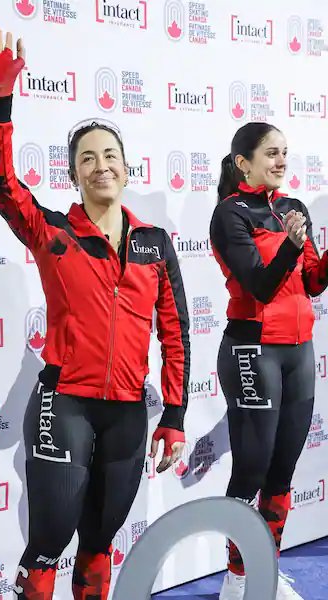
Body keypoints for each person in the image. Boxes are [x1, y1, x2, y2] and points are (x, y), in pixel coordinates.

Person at [0, 29, 190, 600]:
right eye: (87, 158)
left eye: (110, 156)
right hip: (63, 403)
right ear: (74, 175)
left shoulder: (155, 243)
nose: (101, 165)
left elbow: (176, 332)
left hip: (127, 415)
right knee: (49, 542)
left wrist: (174, 414)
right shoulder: (54, 232)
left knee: (98, 545)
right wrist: (0, 98)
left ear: (127, 169)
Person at [210, 122, 328, 600]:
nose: (281, 161)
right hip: (252, 348)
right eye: (271, 153)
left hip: (299, 351)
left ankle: (265, 571)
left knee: (282, 472)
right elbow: (259, 285)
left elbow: (313, 282)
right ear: (244, 163)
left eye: (284, 152)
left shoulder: (294, 208)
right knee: (252, 469)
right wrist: (293, 246)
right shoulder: (229, 213)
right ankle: (237, 578)